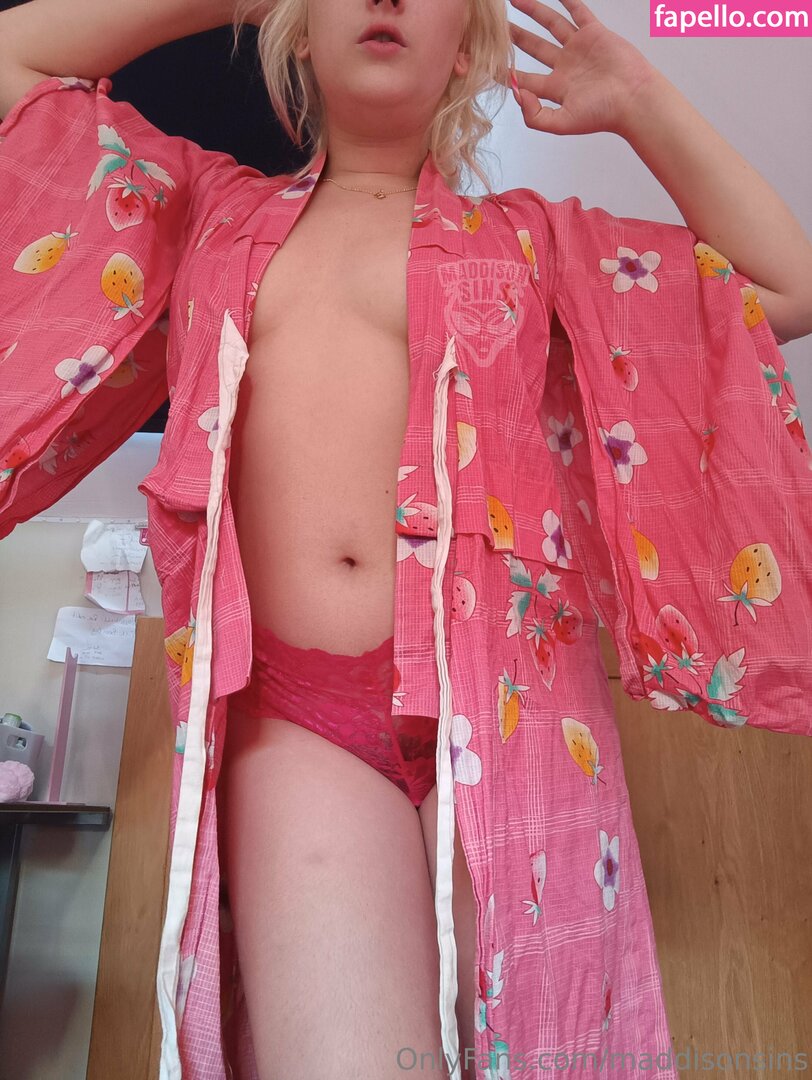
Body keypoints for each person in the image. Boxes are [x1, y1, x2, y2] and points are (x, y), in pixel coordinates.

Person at [1, 2, 811, 1079]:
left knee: (552, 1050)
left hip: (514, 707)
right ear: (298, 28)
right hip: (297, 719)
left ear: (465, 46)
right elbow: (15, 58)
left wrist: (637, 100)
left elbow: (785, 285)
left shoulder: (532, 242)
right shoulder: (206, 212)